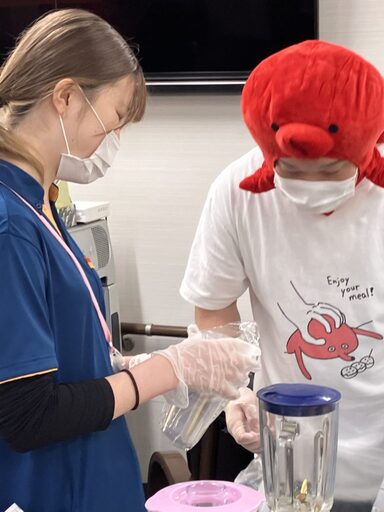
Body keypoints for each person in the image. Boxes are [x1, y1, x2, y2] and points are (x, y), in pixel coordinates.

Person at [0, 9, 260, 512]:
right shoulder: (11, 224)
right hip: (51, 490)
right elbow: (27, 415)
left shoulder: (42, 203)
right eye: (113, 119)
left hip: (96, 479)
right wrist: (169, 368)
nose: (111, 141)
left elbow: (58, 355)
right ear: (67, 96)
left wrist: (124, 364)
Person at [180, 40, 384, 511]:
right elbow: (213, 305)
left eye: (332, 169)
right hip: (290, 454)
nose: (313, 186)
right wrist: (235, 391)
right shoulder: (237, 191)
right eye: (292, 171)